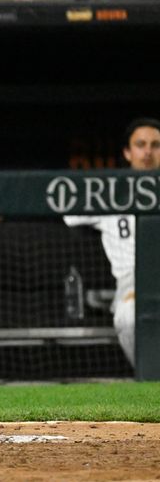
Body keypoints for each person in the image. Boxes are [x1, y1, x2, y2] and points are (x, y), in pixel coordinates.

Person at [63, 117, 160, 368]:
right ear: (128, 153)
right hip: (133, 282)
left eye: (156, 145)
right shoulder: (108, 192)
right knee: (128, 316)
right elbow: (58, 207)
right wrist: (1, 212)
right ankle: (149, 381)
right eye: (141, 144)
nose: (148, 152)